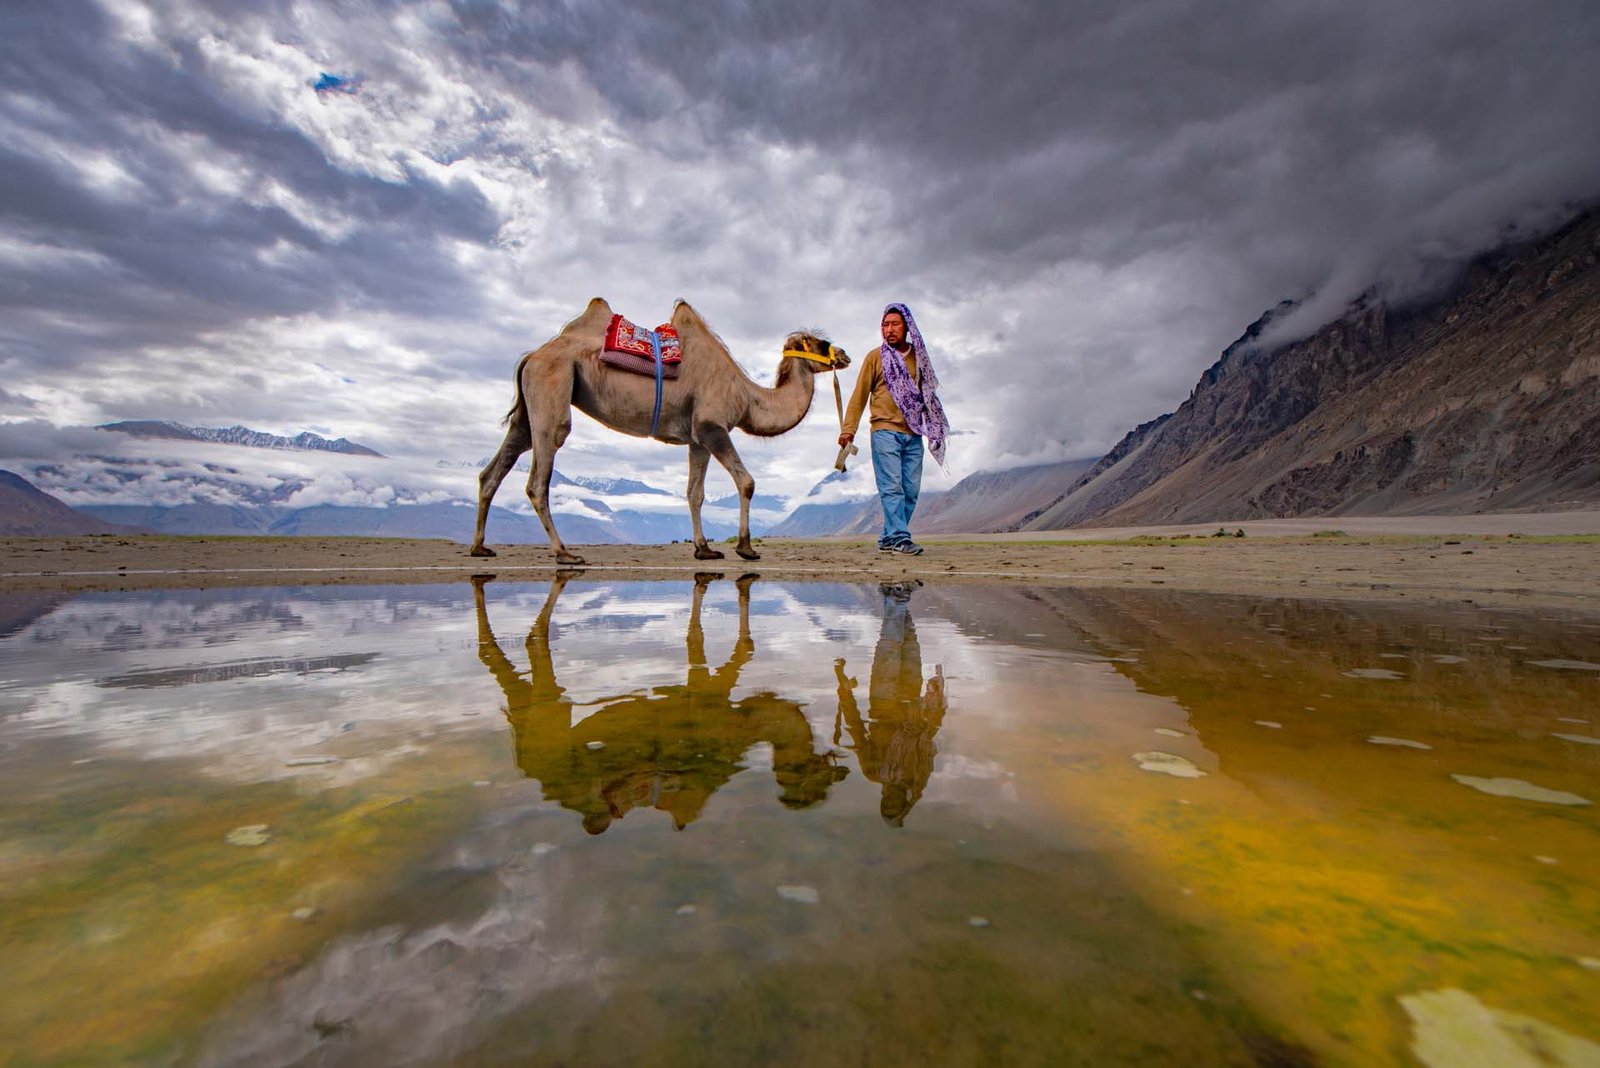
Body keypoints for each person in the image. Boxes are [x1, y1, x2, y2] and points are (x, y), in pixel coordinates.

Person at [838, 302, 949, 555]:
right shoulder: (875, 358)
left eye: (895, 324)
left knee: (911, 490)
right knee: (892, 488)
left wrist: (934, 426)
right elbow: (859, 396)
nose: (889, 329)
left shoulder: (919, 357)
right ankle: (900, 538)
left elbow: (927, 394)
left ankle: (888, 538)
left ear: (907, 327)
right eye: (885, 325)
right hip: (884, 432)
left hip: (913, 433)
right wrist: (848, 429)